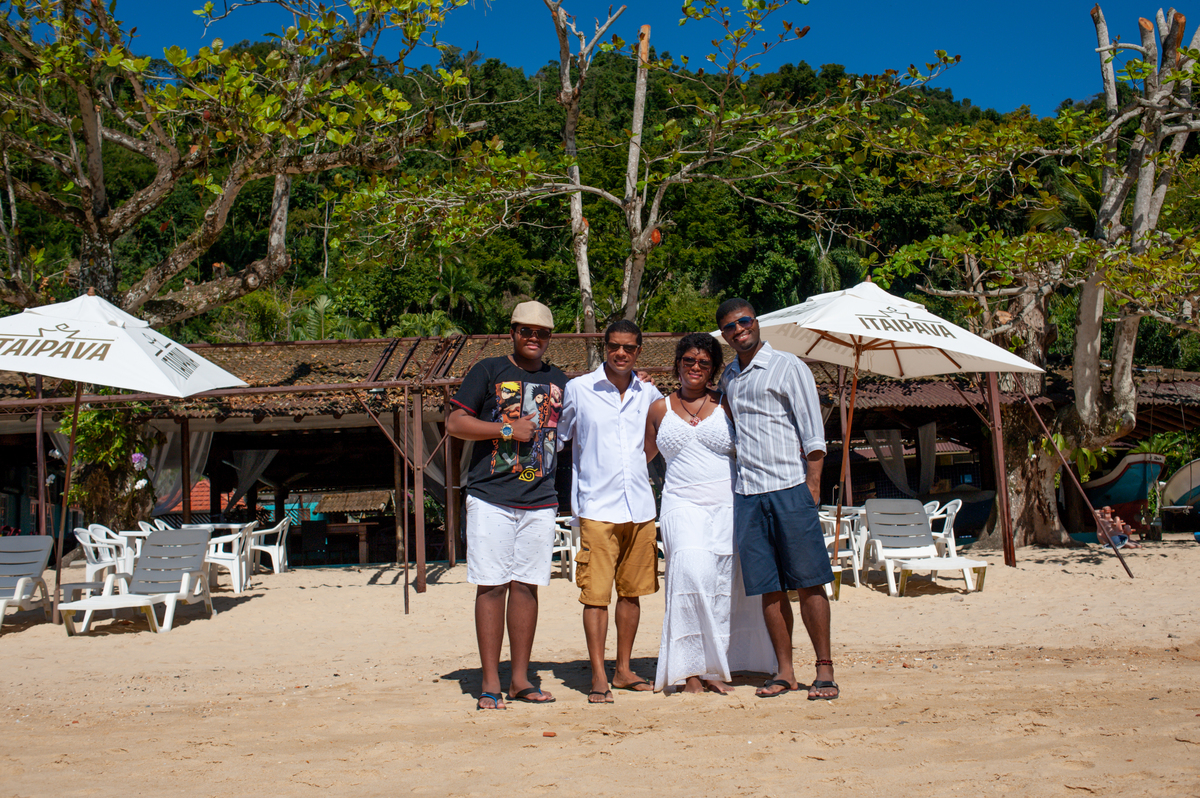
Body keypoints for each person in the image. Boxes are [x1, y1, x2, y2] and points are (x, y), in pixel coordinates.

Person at [447, 301, 568, 710]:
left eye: (542, 333)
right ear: (512, 332)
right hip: (491, 497)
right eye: (526, 330)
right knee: (492, 585)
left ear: (549, 338)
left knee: (526, 586)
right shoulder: (488, 370)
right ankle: (489, 682)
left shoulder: (560, 380)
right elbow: (455, 423)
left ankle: (520, 679)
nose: (534, 338)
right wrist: (505, 428)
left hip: (540, 499)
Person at [717, 298, 839, 700]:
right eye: (730, 326)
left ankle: (824, 670)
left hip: (790, 488)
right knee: (769, 588)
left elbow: (813, 434)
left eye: (744, 321)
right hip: (748, 494)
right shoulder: (729, 377)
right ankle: (784, 671)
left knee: (809, 582)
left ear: (756, 322)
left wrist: (812, 486)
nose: (739, 329)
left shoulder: (789, 366)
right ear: (725, 335)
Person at [645, 333, 776, 694]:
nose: (695, 367)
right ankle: (690, 671)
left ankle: (715, 668)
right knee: (690, 574)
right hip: (680, 504)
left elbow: (755, 443)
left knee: (721, 583)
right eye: (689, 360)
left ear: (714, 369)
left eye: (704, 362)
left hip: (727, 504)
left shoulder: (726, 403)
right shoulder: (658, 409)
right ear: (678, 363)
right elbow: (641, 458)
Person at [559, 320, 663, 704]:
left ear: (639, 351)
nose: (621, 353)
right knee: (596, 596)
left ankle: (623, 669)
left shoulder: (649, 393)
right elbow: (559, 437)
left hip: (640, 507)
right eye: (614, 346)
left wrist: (634, 465)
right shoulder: (579, 389)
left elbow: (656, 439)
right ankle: (598, 675)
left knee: (632, 594)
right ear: (604, 347)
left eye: (629, 348)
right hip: (596, 507)